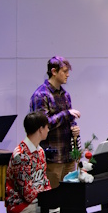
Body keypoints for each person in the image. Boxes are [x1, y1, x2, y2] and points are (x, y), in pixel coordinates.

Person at [29, 56, 81, 188]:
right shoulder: (41, 95)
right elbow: (42, 126)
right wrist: (66, 114)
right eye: (64, 71)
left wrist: (74, 128)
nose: (67, 75)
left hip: (68, 155)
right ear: (54, 71)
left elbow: (70, 119)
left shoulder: (65, 95)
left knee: (69, 198)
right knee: (53, 200)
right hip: (52, 158)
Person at [4, 112, 57, 213]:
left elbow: (44, 180)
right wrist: (47, 199)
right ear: (40, 129)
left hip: (38, 202)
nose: (48, 130)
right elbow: (27, 194)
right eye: (47, 127)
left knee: (71, 210)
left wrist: (51, 198)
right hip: (20, 206)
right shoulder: (21, 155)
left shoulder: (40, 151)